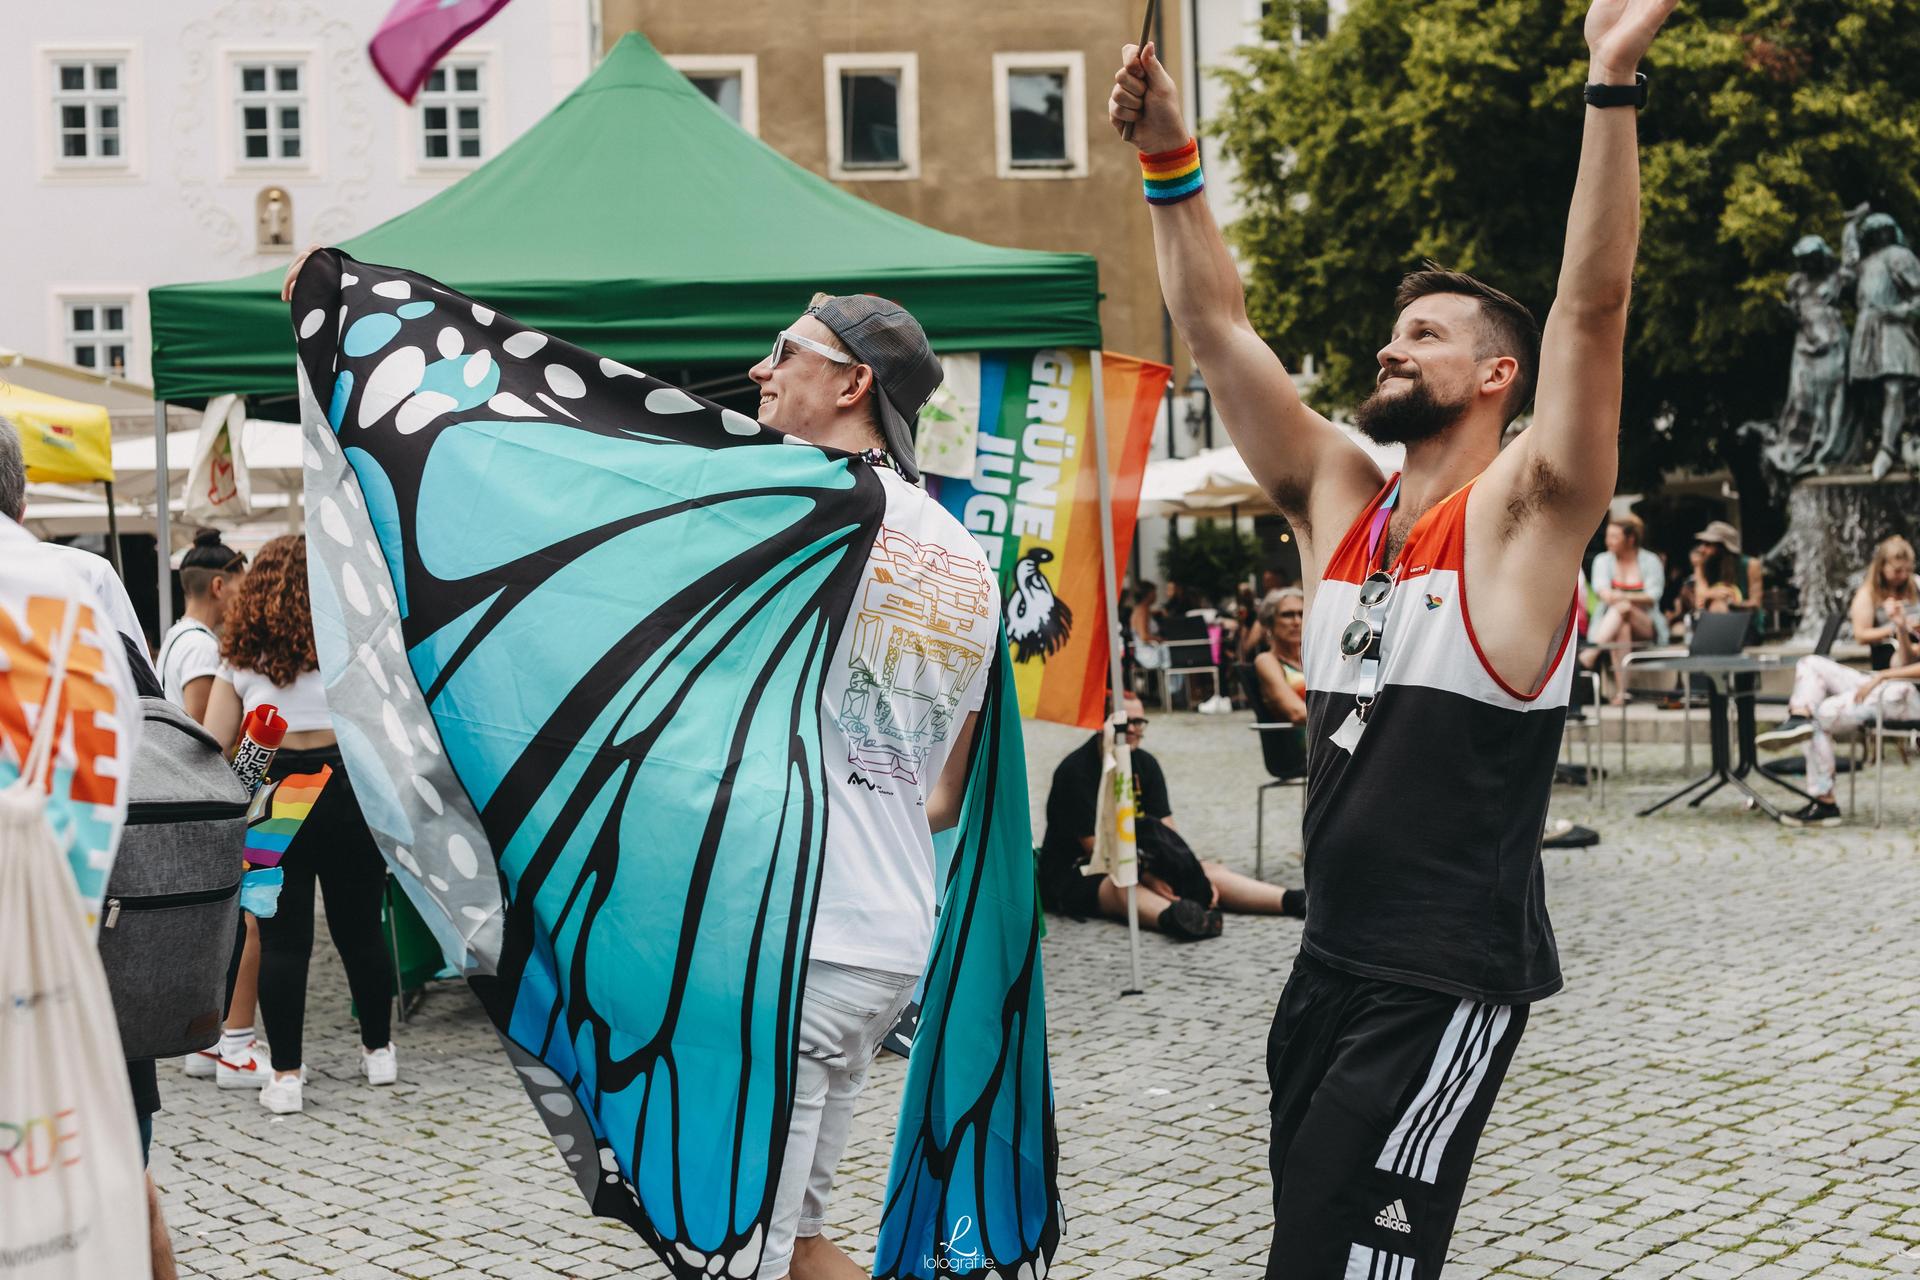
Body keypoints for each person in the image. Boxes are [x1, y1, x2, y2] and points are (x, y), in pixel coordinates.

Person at [280, 248, 996, 1279]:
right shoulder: (963, 555)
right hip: (885, 933)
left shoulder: (805, 505)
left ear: (852, 384)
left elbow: (593, 464)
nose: (759, 370)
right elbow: (943, 791)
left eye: (785, 351)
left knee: (737, 1248)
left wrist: (352, 321)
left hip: (786, 943)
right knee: (790, 1242)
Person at [1111, 1, 1676, 1273]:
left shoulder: (1525, 517)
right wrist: (1167, 159)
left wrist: (1610, 78)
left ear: (1497, 376)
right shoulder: (1341, 500)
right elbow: (1218, 329)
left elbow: (1592, 308)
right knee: (1309, 1248)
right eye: (1394, 328)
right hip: (1327, 962)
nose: (1390, 342)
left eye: (1425, 333)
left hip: (1440, 977)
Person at [0, 416, 178, 1280]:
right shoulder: (79, 592)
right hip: (79, 945)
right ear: (22, 490)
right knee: (110, 1178)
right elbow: (146, 739)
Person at [201, 534, 398, 1115]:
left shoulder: (238, 658)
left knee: (283, 939)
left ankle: (286, 1075)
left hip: (275, 791)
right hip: (346, 787)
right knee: (360, 928)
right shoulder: (349, 645)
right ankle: (379, 1050)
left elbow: (215, 743)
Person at [1038, 693, 1305, 938]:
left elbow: (1167, 832)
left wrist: (1190, 873)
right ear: (1103, 724)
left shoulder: (1145, 764)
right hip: (1080, 870)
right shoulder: (1076, 771)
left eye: (1138, 722)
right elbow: (1098, 851)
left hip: (1141, 860)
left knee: (1209, 870)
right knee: (1122, 885)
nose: (1131, 729)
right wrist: (1149, 878)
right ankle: (1178, 919)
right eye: (1123, 723)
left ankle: (1294, 901)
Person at [161, 530, 274, 1091]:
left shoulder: (174, 637)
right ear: (219, 586)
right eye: (242, 584)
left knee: (213, 923)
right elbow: (207, 737)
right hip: (209, 802)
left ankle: (206, 1043)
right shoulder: (205, 648)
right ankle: (234, 1042)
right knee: (243, 921)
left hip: (180, 800)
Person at [1759, 594, 1919, 826]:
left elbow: (1900, 671)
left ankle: (1825, 802)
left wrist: (1883, 676)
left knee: (1820, 716)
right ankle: (1798, 717)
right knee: (1811, 663)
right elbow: (1903, 662)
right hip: (1889, 686)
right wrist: (1901, 627)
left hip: (1908, 698)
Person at [157, 529, 245, 720]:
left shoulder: (177, 634)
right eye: (241, 589)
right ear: (218, 586)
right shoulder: (201, 646)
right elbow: (202, 730)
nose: (243, 599)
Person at [1579, 513, 1666, 701]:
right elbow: (1602, 592)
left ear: (1630, 539)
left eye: (1614, 537)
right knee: (1622, 625)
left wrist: (1622, 597)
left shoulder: (1650, 560)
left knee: (1623, 607)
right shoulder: (1602, 560)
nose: (1608, 541)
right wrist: (1626, 598)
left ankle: (1591, 653)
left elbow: (1653, 596)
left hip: (1646, 625)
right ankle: (1622, 692)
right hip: (1614, 624)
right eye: (1607, 536)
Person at [1850, 534, 1920, 671]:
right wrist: (1898, 627)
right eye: (1897, 571)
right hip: (1890, 651)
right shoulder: (1868, 594)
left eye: (1908, 570)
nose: (1904, 575)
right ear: (1882, 566)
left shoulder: (1916, 583)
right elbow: (1860, 635)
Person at [1252, 589, 1308, 724]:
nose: (1297, 621)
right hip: (1304, 734)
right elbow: (1297, 713)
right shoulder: (1267, 660)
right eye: (1287, 615)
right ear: (1270, 622)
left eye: (1302, 614)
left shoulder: (1311, 658)